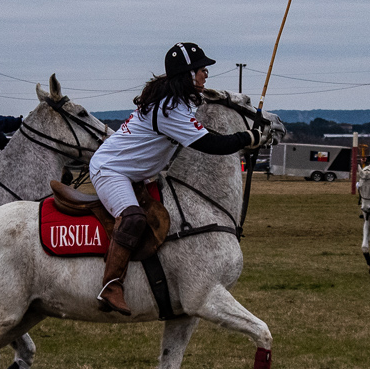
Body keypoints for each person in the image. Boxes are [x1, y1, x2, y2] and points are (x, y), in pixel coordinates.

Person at [88, 42, 271, 315]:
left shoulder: (181, 103)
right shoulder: (169, 110)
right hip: (111, 171)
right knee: (134, 218)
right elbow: (211, 145)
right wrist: (248, 138)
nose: (206, 74)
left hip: (135, 173)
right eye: (201, 69)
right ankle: (111, 286)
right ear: (187, 74)